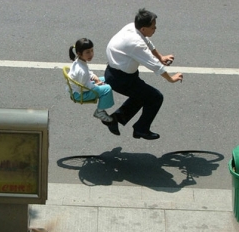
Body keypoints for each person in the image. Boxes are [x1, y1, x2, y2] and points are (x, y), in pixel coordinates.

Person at [103, 8, 183, 139]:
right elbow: (155, 65)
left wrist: (161, 56)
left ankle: (114, 119)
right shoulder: (135, 43)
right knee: (155, 97)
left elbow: (148, 43)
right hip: (121, 79)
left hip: (116, 73)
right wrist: (171, 79)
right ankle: (141, 129)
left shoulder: (132, 27)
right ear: (144, 29)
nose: (155, 29)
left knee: (142, 95)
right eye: (153, 27)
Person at [68, 38, 114, 122]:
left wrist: (94, 77)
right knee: (107, 89)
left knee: (106, 79)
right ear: (79, 53)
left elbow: (87, 74)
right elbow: (84, 87)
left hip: (78, 88)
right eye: (87, 52)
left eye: (92, 50)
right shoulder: (82, 71)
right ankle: (100, 111)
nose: (91, 54)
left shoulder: (78, 61)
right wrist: (96, 85)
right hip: (80, 94)